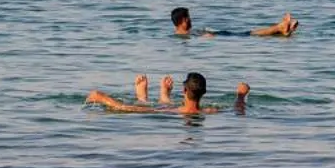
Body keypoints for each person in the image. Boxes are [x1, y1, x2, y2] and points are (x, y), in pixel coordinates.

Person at [86, 73, 250, 115]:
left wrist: (102, 98)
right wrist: (240, 96)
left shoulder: (171, 112)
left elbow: (126, 108)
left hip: (172, 110)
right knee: (165, 103)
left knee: (143, 106)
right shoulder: (211, 111)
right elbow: (238, 110)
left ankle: (142, 97)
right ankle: (163, 95)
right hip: (182, 109)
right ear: (204, 93)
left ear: (184, 90)